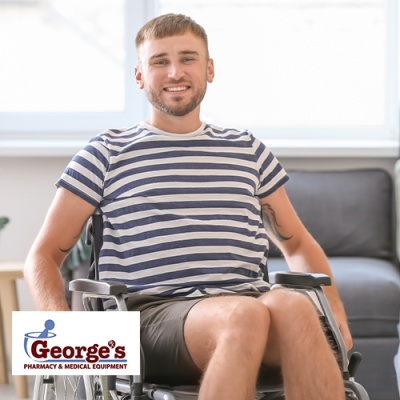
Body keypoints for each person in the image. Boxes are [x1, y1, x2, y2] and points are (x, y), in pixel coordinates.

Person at [24, 13, 352, 400]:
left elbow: (296, 244)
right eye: (159, 61)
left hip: (249, 303)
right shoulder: (106, 152)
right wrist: (72, 339)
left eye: (188, 58)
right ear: (139, 76)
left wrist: (338, 319)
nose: (175, 71)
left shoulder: (247, 150)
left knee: (297, 310)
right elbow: (42, 256)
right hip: (147, 315)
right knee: (243, 315)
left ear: (209, 69)